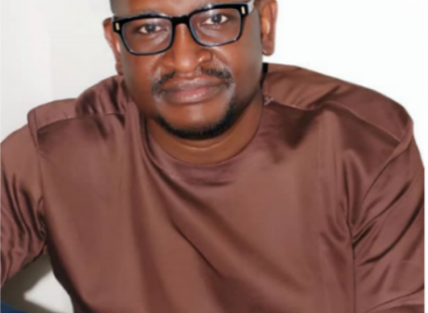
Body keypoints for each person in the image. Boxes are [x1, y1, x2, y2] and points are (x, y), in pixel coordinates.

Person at [0, 0, 426, 312]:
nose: (184, 59)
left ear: (265, 22)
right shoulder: (58, 149)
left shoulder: (363, 145)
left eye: (216, 19)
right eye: (149, 28)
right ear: (117, 44)